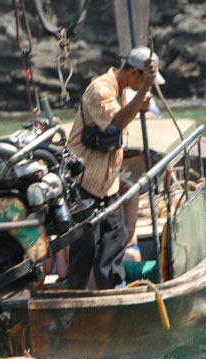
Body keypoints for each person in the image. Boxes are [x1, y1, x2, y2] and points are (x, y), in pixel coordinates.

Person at [67, 47, 165, 289]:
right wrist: (142, 92)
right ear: (134, 73)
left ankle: (115, 287)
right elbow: (115, 124)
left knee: (116, 238)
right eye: (143, 80)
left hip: (106, 183)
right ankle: (75, 295)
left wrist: (140, 103)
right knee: (85, 246)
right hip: (84, 182)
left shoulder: (121, 91)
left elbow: (121, 114)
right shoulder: (100, 89)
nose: (145, 85)